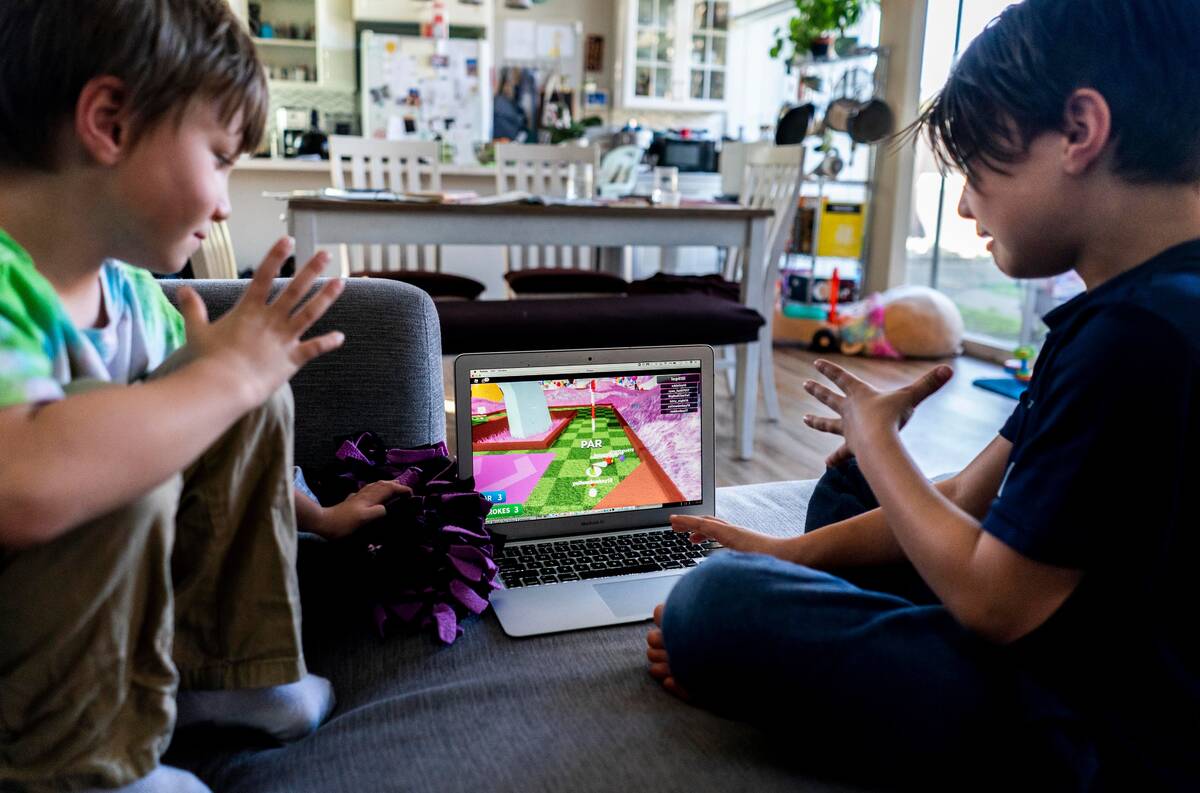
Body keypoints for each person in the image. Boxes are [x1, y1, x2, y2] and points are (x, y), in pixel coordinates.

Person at [645, 0, 1200, 789]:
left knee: (717, 605)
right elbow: (971, 495)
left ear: (1079, 131)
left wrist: (878, 439)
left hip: (1098, 723)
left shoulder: (1134, 337)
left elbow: (997, 601)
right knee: (847, 491)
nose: (966, 205)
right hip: (1080, 623)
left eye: (977, 169)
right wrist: (789, 549)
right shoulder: (1126, 311)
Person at [0, 2, 402, 791]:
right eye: (219, 158)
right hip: (27, 693)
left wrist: (317, 513)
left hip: (116, 639)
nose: (223, 204)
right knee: (116, 437)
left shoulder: (134, 298)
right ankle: (82, 768)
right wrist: (225, 375)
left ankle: (231, 671)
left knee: (227, 396)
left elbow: (215, 436)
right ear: (109, 122)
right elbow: (25, 483)